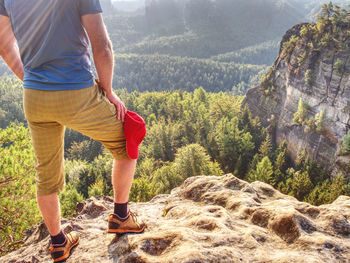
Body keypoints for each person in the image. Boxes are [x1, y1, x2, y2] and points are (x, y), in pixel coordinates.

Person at [0, 0, 146, 262]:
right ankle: (121, 217)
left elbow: (3, 43)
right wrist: (109, 91)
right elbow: (101, 47)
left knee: (45, 173)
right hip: (77, 93)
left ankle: (58, 243)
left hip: (34, 97)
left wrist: (31, 80)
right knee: (129, 136)